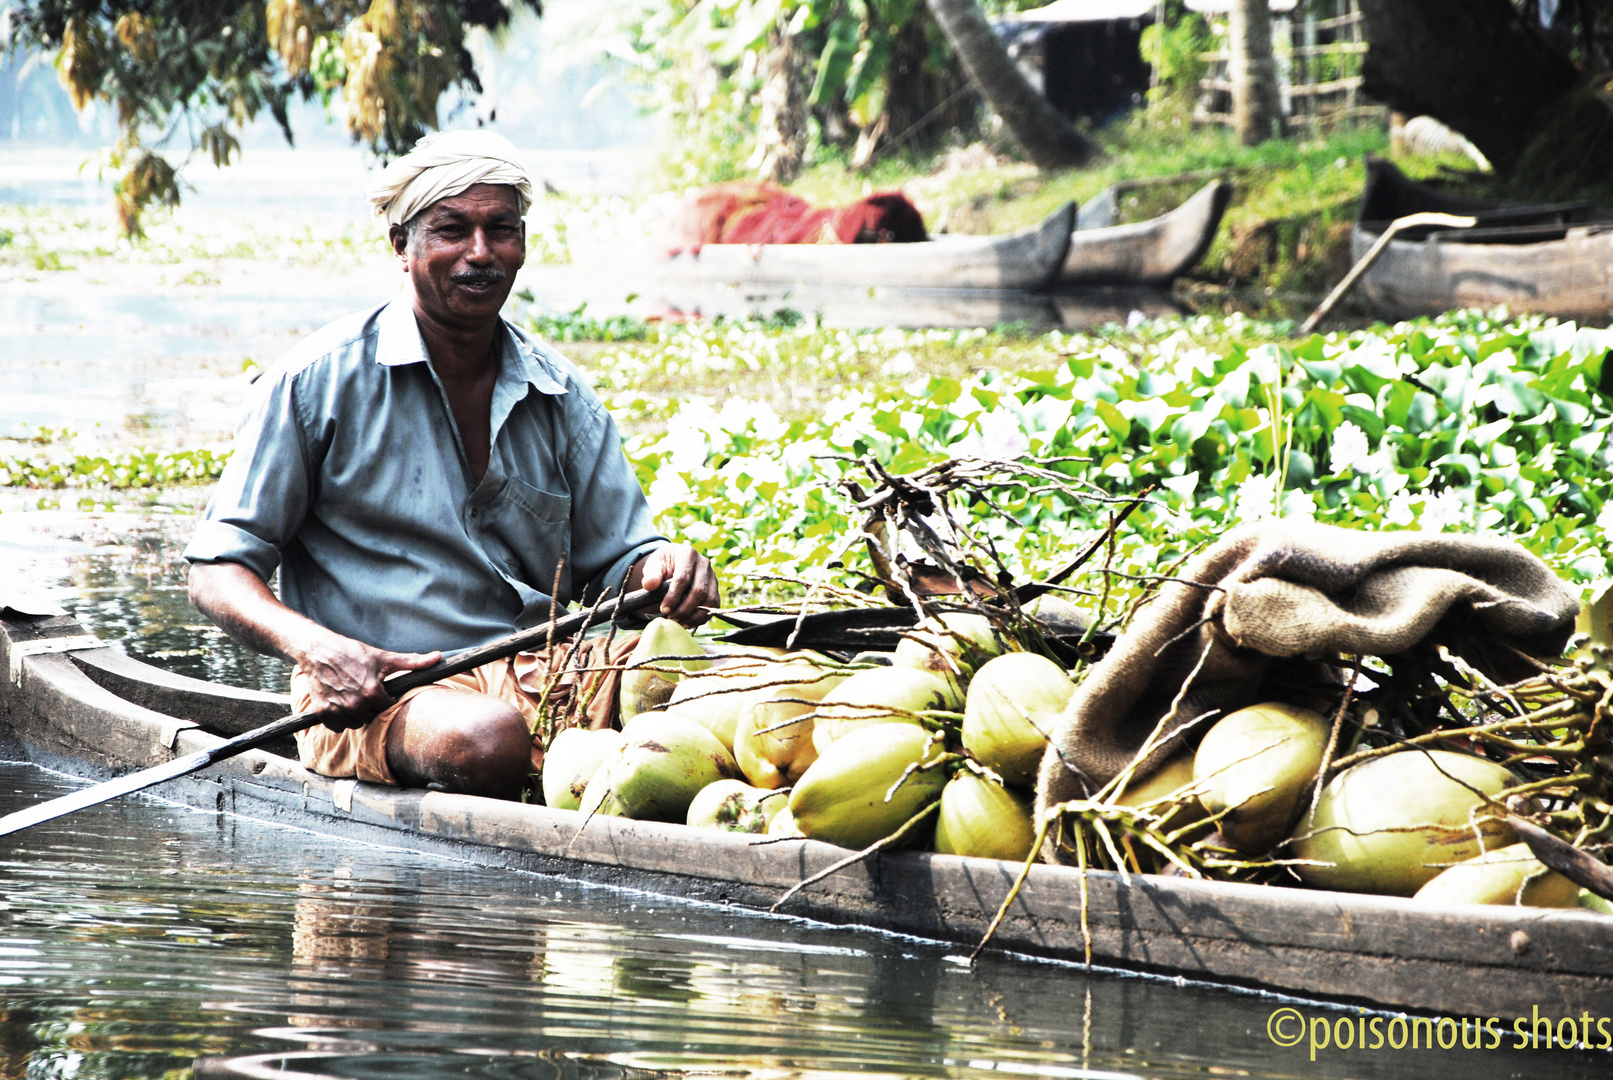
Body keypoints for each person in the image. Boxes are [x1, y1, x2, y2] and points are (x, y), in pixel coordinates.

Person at [184, 130, 718, 800]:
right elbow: (217, 571)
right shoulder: (315, 381)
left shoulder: (560, 395)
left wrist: (665, 566)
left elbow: (618, 563)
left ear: (521, 243)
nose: (479, 252)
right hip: (377, 693)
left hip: (542, 669)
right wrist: (320, 650)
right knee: (489, 740)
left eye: (500, 230)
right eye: (451, 230)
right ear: (401, 246)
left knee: (731, 689)